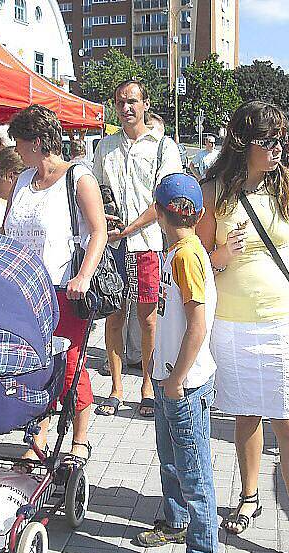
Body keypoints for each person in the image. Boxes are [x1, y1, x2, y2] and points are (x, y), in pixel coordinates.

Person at [197, 100, 289, 553]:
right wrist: (220, 257)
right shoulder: (214, 192)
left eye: (282, 139)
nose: (279, 148)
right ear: (243, 142)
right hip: (232, 324)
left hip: (283, 320)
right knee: (245, 416)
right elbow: (195, 261)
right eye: (268, 141)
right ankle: (250, 496)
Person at [4, 104, 107, 466]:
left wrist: (84, 276)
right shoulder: (21, 181)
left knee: (70, 364)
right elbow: (6, 232)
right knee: (32, 366)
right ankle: (40, 435)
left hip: (64, 289)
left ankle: (80, 439)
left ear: (37, 142)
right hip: (23, 291)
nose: (15, 149)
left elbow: (99, 231)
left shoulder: (78, 177)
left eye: (19, 141)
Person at [134, 173, 218, 553]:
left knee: (193, 467)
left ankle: (203, 552)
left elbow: (197, 326)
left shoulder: (186, 257)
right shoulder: (180, 252)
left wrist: (177, 379)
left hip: (184, 384)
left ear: (158, 214)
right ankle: (175, 518)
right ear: (197, 213)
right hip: (171, 377)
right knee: (170, 458)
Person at [93, 80, 183, 418]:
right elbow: (97, 189)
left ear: (145, 104)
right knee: (113, 317)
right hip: (112, 247)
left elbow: (165, 197)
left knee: (148, 321)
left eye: (132, 101)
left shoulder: (163, 147)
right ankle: (115, 388)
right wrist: (102, 218)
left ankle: (147, 383)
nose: (126, 108)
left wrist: (129, 228)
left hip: (146, 245)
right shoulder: (106, 146)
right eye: (120, 102)